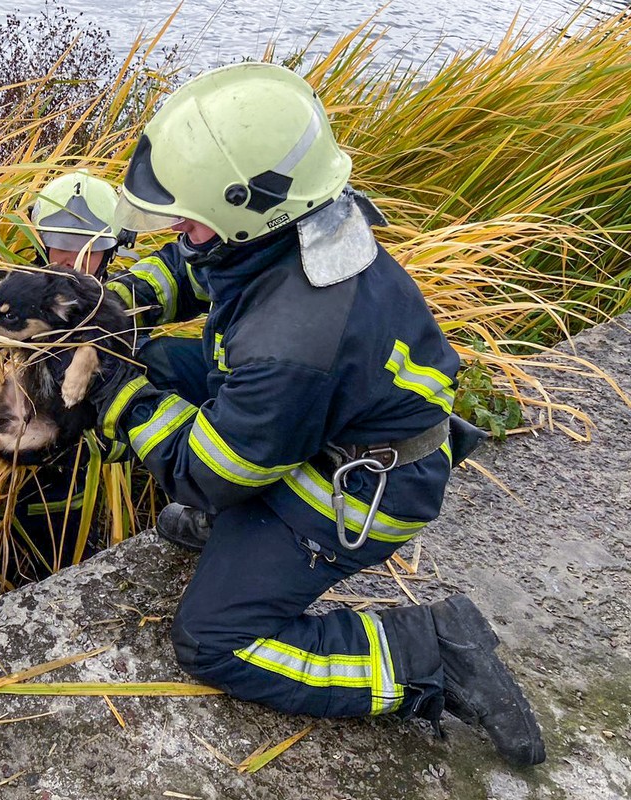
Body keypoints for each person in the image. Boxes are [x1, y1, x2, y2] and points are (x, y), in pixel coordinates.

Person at [88, 62, 546, 767]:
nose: (180, 229)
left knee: (213, 640)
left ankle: (428, 657)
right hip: (319, 424)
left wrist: (110, 394)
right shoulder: (295, 220)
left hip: (361, 486)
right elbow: (197, 265)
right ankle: (243, 530)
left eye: (192, 218)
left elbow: (203, 472)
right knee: (151, 362)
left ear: (245, 208)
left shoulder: (291, 342)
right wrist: (111, 307)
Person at [0, 169, 130, 581]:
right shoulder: (19, 290)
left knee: (64, 561)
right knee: (18, 558)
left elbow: (126, 430)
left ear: (114, 249)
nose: (72, 260)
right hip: (6, 476)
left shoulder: (121, 316)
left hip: (75, 482)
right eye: (59, 244)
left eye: (90, 247)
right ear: (41, 242)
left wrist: (74, 444)